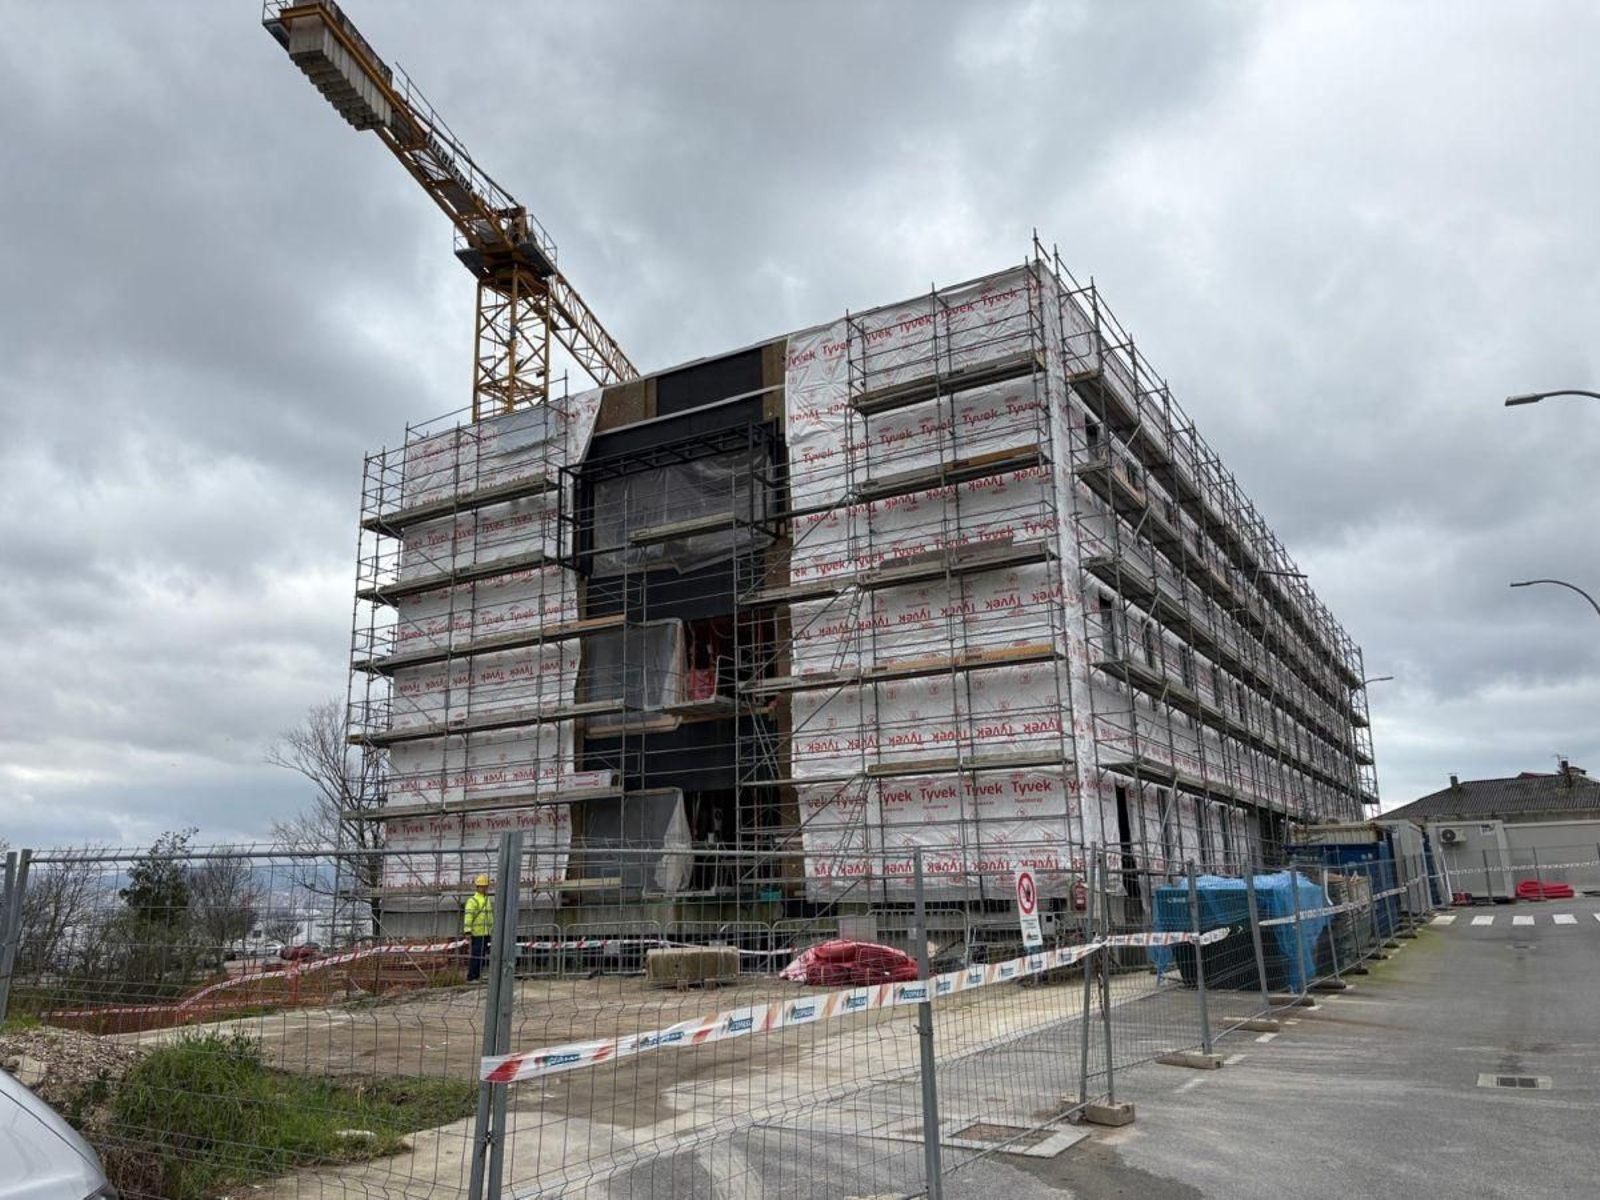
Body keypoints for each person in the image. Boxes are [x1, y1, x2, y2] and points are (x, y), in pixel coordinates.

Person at [464, 874, 493, 982]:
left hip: (485, 933)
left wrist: (491, 930)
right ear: (478, 887)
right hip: (477, 933)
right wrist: (467, 932)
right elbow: (468, 916)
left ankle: (477, 975)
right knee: (476, 955)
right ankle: (471, 977)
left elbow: (489, 917)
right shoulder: (473, 900)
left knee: (481, 955)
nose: (485, 888)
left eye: (486, 886)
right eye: (483, 886)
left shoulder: (487, 900)